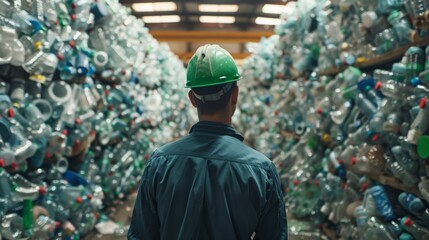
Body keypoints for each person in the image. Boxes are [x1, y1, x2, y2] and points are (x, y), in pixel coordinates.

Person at [128, 44, 288, 240]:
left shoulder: (160, 163)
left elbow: (141, 235)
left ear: (192, 99)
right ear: (235, 95)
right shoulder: (261, 171)